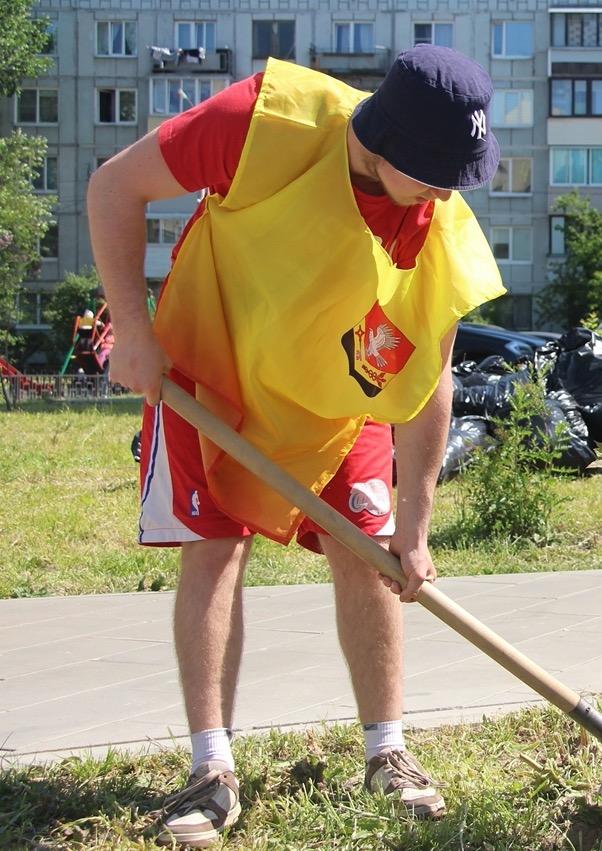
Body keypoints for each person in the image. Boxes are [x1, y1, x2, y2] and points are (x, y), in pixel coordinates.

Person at [86, 44, 505, 847]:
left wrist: (415, 528)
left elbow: (429, 386)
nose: (447, 192)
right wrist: (132, 331)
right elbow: (115, 184)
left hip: (333, 395)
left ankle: (389, 752)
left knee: (371, 550)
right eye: (433, 172)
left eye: (460, 172)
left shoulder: (442, 229)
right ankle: (211, 770)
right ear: (383, 141)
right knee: (212, 550)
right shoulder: (265, 121)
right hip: (210, 363)